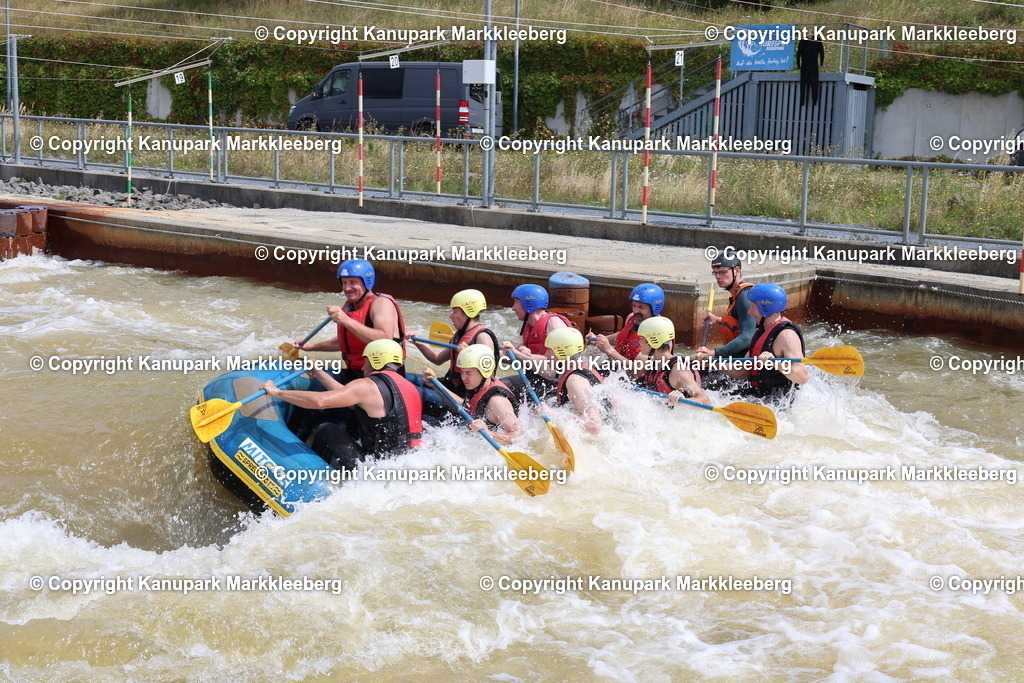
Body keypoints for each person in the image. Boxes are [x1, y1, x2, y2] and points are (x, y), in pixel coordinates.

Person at [263, 339, 422, 471]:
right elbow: (346, 395)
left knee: (327, 429)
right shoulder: (409, 387)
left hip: (372, 467)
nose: (362, 367)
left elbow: (320, 402)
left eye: (365, 362)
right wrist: (319, 373)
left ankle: (315, 477)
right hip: (402, 465)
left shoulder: (367, 385)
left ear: (375, 360)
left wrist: (276, 392)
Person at [292, 259, 407, 383]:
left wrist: (346, 321)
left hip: (381, 378)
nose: (347, 288)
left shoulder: (381, 304)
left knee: (316, 385)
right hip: (355, 374)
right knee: (302, 368)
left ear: (367, 282)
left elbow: (384, 340)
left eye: (353, 282)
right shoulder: (350, 306)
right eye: (344, 282)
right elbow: (347, 342)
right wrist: (312, 346)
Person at [719, 283, 808, 401]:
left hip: (779, 402)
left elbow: (802, 377)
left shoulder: (786, 335)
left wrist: (776, 363)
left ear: (765, 308)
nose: (749, 312)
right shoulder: (760, 331)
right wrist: (712, 363)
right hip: (758, 394)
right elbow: (742, 371)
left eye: (753, 307)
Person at [424, 344, 523, 446]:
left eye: (468, 372)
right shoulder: (478, 387)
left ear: (484, 371)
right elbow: (464, 406)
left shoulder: (497, 402)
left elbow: (519, 436)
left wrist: (488, 433)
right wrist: (435, 385)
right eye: (462, 372)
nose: (463, 377)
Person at [406, 289, 499, 397]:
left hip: (463, 397)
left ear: (468, 312)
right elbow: (437, 359)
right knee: (403, 378)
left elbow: (488, 376)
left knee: (409, 391)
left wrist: (469, 354)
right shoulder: (459, 335)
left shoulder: (483, 337)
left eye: (455, 312)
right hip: (450, 386)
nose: (451, 316)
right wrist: (418, 343)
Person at [503, 284, 570, 398]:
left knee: (502, 387)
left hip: (555, 384)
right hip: (537, 379)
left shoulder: (554, 324)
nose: (513, 308)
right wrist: (489, 354)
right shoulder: (529, 327)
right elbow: (511, 355)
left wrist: (518, 354)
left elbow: (559, 363)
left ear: (528, 303)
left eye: (515, 302)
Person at [633, 316, 710, 406]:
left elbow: (705, 400)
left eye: (642, 338)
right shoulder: (652, 362)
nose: (639, 342)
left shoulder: (678, 370)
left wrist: (684, 401)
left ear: (653, 341)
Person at [589, 283, 665, 375]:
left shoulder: (660, 332)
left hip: (635, 381)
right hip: (616, 370)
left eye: (641, 307)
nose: (636, 311)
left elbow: (639, 370)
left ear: (654, 308)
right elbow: (623, 335)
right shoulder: (631, 318)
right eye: (634, 306)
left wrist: (609, 350)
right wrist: (598, 340)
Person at [696, 253, 756, 361]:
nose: (718, 277)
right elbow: (738, 321)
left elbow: (748, 337)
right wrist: (718, 319)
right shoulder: (738, 294)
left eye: (723, 272)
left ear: (736, 271)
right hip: (738, 356)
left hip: (746, 361)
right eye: (715, 273)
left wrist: (715, 353)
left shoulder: (745, 296)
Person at [544, 327, 604, 435]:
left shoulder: (575, 381)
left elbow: (594, 427)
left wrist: (551, 412)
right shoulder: (581, 367)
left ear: (561, 352)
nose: (545, 355)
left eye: (549, 351)